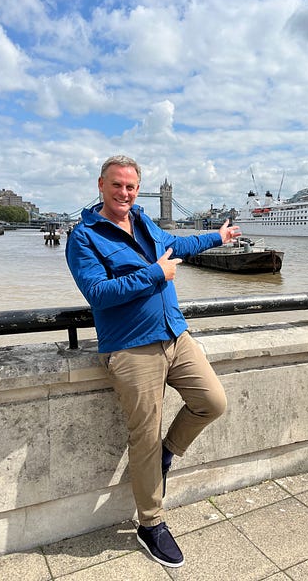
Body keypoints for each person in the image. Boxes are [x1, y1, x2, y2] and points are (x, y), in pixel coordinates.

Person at [65, 155, 241, 568]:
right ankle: (151, 523)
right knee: (142, 436)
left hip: (174, 335)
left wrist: (216, 236)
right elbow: (99, 293)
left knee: (212, 402)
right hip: (130, 347)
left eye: (131, 187)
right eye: (117, 186)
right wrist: (156, 275)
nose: (124, 193)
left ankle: (168, 452)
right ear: (101, 185)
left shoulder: (144, 221)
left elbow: (177, 246)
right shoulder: (84, 236)